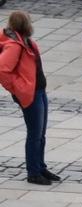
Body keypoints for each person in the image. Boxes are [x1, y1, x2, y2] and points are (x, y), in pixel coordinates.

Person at [1, 12, 52, 185]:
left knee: (41, 133)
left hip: (39, 90)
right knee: (35, 134)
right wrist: (17, 87)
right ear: (25, 24)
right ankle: (33, 172)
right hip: (31, 93)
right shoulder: (14, 45)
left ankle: (40, 167)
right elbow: (2, 69)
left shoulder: (24, 40)